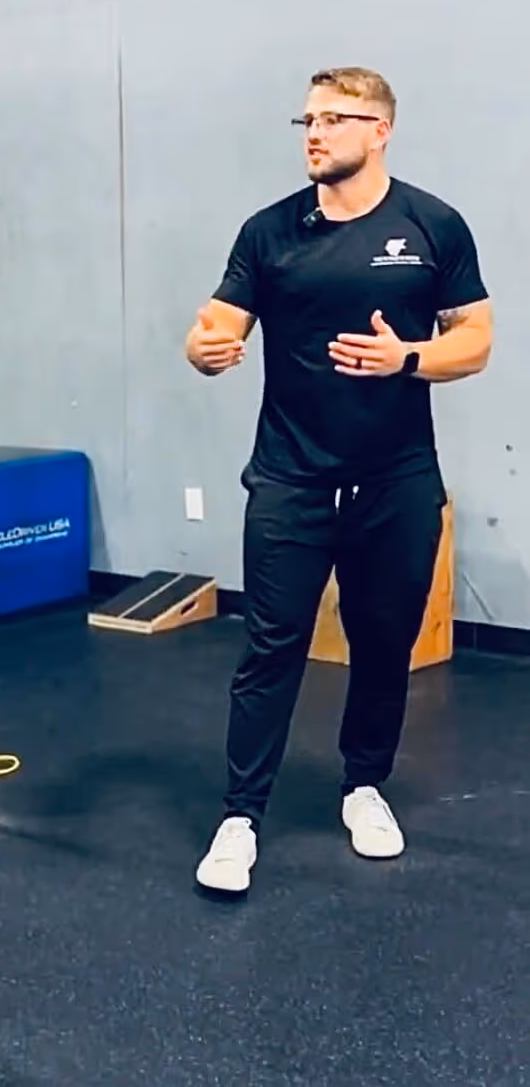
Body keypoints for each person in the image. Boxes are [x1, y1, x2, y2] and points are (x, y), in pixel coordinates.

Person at [184, 67, 492, 895]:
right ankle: (240, 816)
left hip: (396, 481)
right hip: (290, 478)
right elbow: (213, 326)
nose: (314, 133)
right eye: (307, 120)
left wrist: (408, 358)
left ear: (379, 129)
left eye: (332, 118)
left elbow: (476, 338)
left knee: (383, 642)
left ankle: (363, 786)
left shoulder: (431, 225)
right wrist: (203, 348)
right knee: (270, 646)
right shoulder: (268, 232)